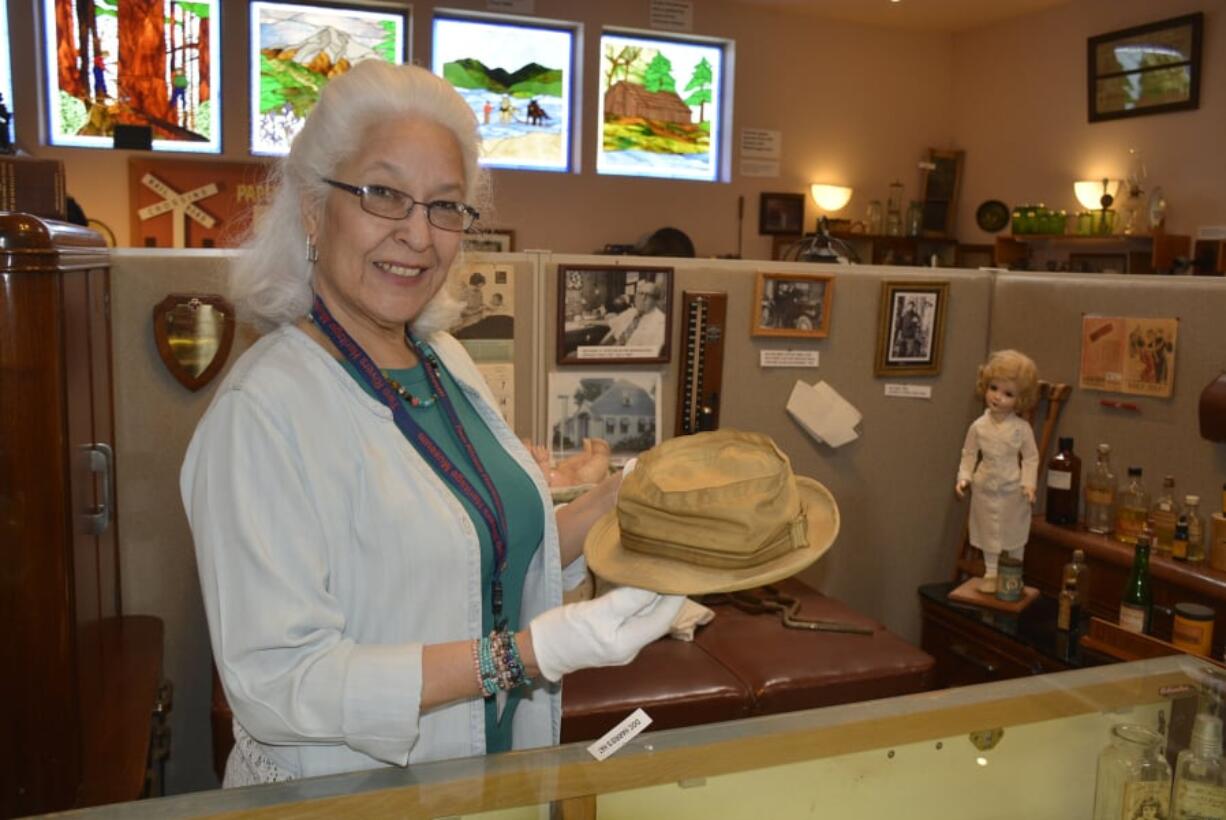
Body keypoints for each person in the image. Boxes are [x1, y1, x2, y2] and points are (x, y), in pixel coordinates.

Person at [181, 61, 684, 787]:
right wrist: (523, 656)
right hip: (346, 797)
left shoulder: (442, 358)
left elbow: (485, 550)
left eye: (445, 206)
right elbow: (281, 686)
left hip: (487, 777)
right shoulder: (262, 414)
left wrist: (629, 500)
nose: (418, 235)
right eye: (384, 195)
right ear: (314, 210)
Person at [955, 349, 1040, 593]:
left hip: (1014, 489)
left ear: (1020, 398)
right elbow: (969, 454)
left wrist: (1029, 484)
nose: (998, 397)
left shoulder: (1021, 429)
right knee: (987, 531)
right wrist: (964, 477)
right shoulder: (978, 426)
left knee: (1015, 530)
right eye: (993, 388)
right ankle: (991, 572)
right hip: (984, 488)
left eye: (1008, 393)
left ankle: (1015, 573)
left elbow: (1031, 458)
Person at [600, 280, 666, 354]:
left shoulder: (661, 322)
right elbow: (611, 322)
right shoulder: (631, 312)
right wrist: (589, 322)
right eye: (640, 293)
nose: (643, 298)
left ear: (656, 300)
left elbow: (651, 353)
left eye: (649, 295)